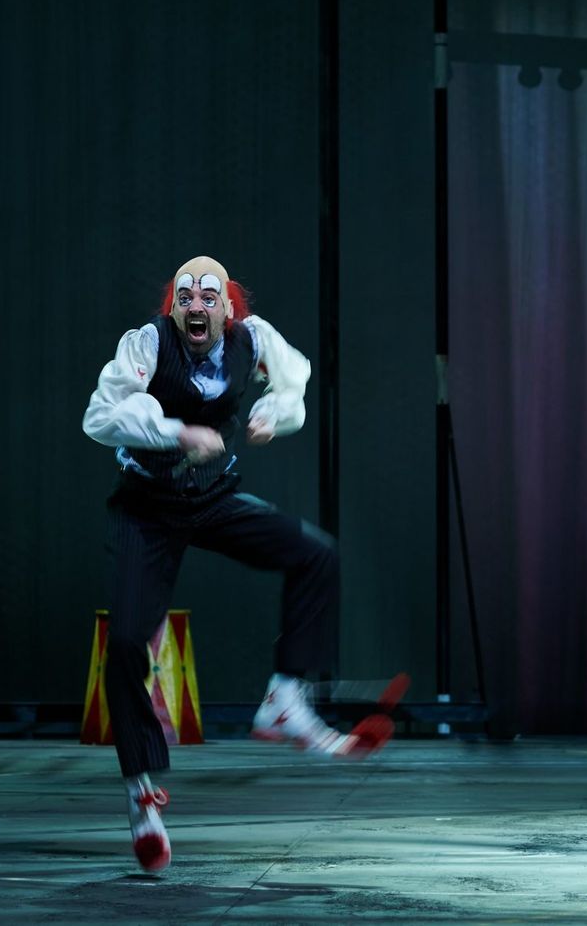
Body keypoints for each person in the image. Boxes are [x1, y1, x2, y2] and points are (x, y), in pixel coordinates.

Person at [81, 256, 379, 874]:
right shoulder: (146, 344)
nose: (196, 305)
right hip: (147, 507)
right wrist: (173, 432)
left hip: (212, 498)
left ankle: (286, 700)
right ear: (174, 308)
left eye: (208, 297)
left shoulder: (253, 339)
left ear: (227, 309)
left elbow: (293, 380)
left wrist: (278, 411)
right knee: (128, 644)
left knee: (314, 553)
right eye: (185, 297)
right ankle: (142, 794)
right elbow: (101, 417)